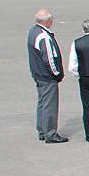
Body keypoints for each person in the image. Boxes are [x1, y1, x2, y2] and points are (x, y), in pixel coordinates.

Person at [27, 8, 68, 143]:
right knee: (50, 104)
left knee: (42, 102)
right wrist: (56, 73)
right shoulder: (44, 36)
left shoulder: (33, 32)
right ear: (48, 20)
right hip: (47, 76)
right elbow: (49, 58)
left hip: (38, 74)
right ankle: (50, 133)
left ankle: (42, 129)